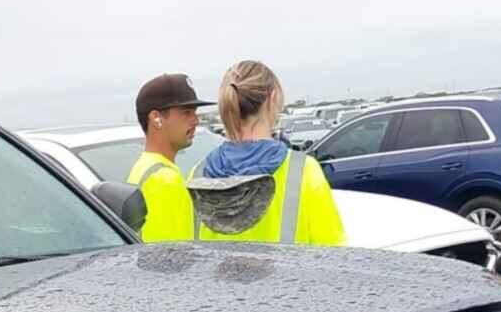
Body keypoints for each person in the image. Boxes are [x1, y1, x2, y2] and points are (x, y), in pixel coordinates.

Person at [184, 60, 344, 245]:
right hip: (290, 275)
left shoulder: (198, 174)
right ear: (273, 98)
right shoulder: (302, 171)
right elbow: (334, 258)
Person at [127, 73, 210, 241]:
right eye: (186, 113)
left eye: (195, 112)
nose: (195, 121)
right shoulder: (165, 180)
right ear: (156, 118)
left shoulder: (144, 167)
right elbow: (173, 259)